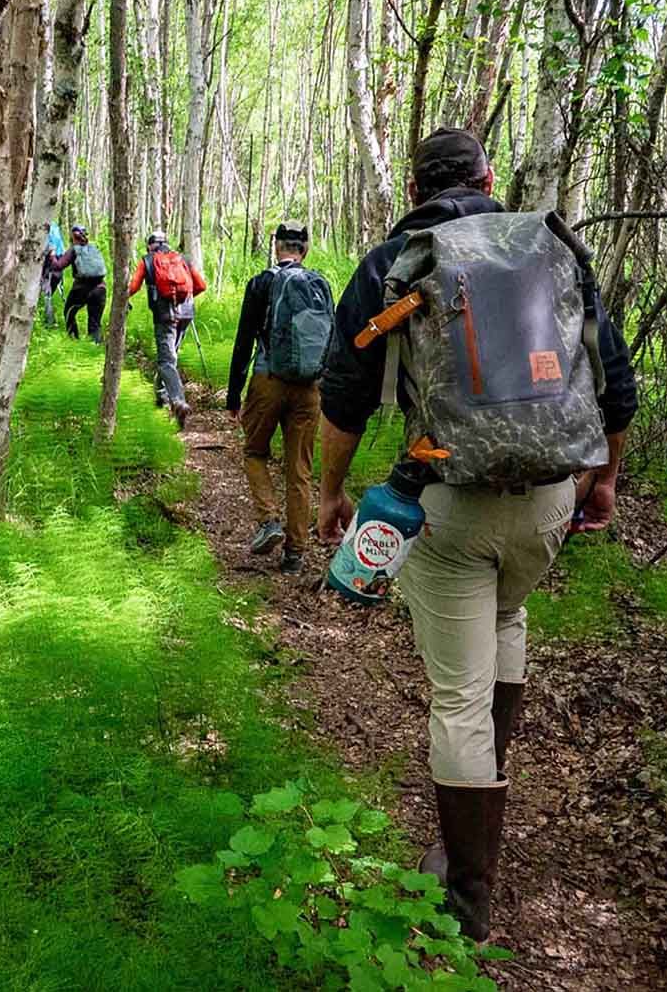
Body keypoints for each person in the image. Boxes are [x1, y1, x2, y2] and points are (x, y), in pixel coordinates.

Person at [315, 126, 638, 942]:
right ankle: (483, 802)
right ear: (490, 176)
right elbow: (614, 379)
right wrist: (604, 478)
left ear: (415, 188)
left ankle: (467, 899)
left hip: (447, 500)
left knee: (457, 691)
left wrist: (329, 493)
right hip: (551, 500)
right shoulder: (552, 247)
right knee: (507, 616)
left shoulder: (397, 259)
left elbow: (345, 395)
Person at [226, 221, 333, 575]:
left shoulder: (261, 282)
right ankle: (295, 552)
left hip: (267, 380)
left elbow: (244, 341)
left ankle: (269, 519)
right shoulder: (321, 285)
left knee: (255, 451)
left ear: (277, 247)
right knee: (299, 468)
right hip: (310, 388)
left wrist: (233, 396)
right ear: (305, 249)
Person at [128, 230, 206, 429]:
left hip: (165, 316)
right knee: (171, 356)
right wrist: (184, 299)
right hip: (186, 313)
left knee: (166, 361)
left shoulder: (147, 261)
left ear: (149, 245)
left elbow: (134, 286)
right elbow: (201, 285)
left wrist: (123, 298)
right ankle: (161, 396)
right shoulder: (182, 259)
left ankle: (178, 401)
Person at [50, 225, 108, 342]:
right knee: (95, 322)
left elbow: (58, 266)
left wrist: (52, 254)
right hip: (100, 288)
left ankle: (73, 340)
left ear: (72, 237)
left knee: (69, 312)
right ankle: (95, 349)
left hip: (81, 289)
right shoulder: (94, 247)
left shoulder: (74, 250)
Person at [40, 221, 65, 327]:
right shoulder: (54, 226)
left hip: (51, 262)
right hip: (58, 263)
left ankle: (50, 322)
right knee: (47, 292)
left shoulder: (49, 227)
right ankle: (48, 318)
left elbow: (52, 249)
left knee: (47, 293)